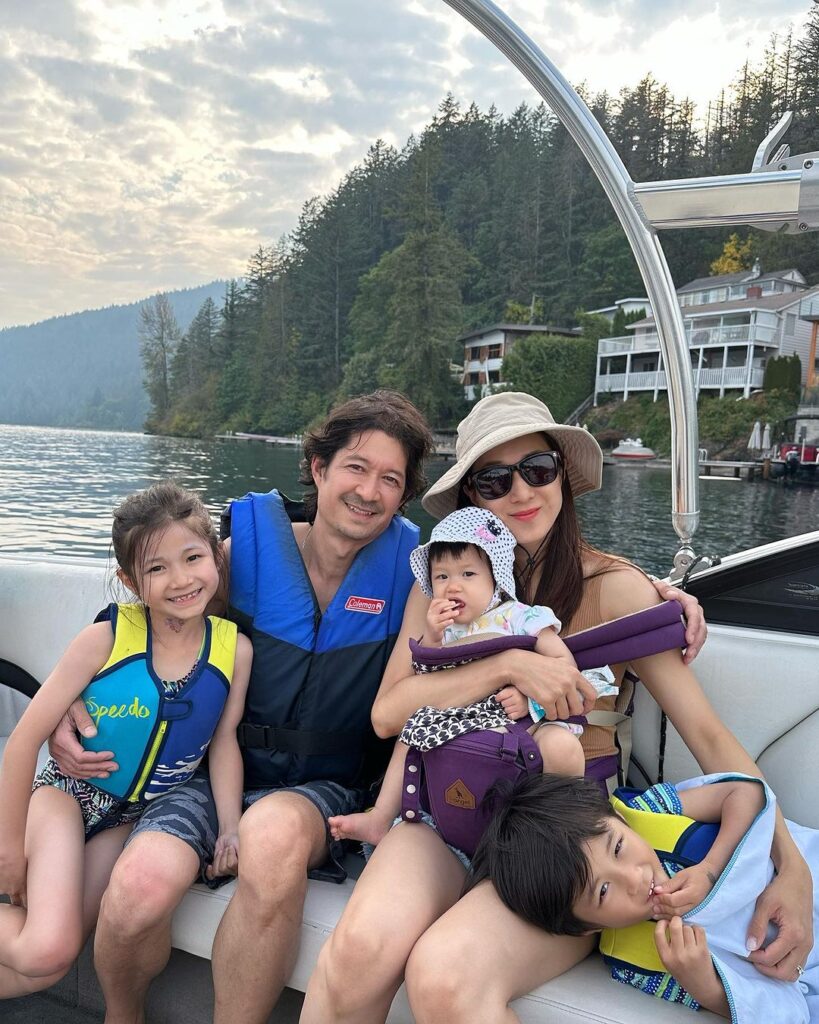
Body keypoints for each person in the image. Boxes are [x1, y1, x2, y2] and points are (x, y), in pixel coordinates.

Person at [300, 391, 813, 1024]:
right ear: (471, 500)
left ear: (563, 476)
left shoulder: (616, 591)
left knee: (445, 977)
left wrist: (790, 869)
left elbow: (707, 736)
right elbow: (389, 715)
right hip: (450, 807)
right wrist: (508, 666)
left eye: (538, 469)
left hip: (564, 838)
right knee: (356, 953)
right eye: (495, 480)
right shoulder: (443, 590)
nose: (522, 491)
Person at [49, 391, 435, 1024]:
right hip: (216, 769)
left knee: (272, 835)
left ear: (404, 496)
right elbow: (152, 618)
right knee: (138, 887)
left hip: (329, 788)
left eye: (391, 479)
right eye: (356, 468)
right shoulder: (244, 552)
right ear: (318, 468)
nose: (369, 491)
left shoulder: (413, 578)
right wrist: (70, 706)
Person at [0, 481, 251, 999]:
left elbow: (223, 742)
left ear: (216, 557)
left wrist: (230, 828)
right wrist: (8, 850)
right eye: (157, 568)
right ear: (130, 580)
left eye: (193, 557)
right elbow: (24, 741)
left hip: (130, 818)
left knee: (45, 968)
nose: (181, 579)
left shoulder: (235, 650)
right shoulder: (106, 638)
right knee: (46, 950)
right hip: (65, 798)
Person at [328, 505, 615, 849]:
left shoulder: (520, 617)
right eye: (441, 577)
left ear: (496, 576)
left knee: (562, 747)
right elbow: (425, 676)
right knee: (414, 729)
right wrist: (432, 638)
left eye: (468, 574)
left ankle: (563, 831)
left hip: (522, 719)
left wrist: (529, 699)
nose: (453, 587)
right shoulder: (446, 628)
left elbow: (562, 670)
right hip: (464, 719)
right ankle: (381, 817)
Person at [467, 771, 819, 1021]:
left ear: (619, 819)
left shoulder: (648, 810)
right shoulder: (631, 964)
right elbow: (762, 1006)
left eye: (618, 847)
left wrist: (710, 869)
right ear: (587, 928)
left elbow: (746, 794)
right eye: (604, 891)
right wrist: (704, 986)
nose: (634, 878)